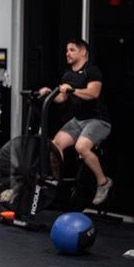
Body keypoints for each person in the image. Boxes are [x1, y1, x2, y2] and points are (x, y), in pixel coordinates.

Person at [38, 38, 113, 205]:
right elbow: (61, 98)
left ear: (83, 52)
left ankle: (103, 182)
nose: (67, 53)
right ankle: (55, 182)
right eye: (67, 50)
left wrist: (72, 89)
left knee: (81, 147)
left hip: (98, 120)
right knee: (55, 144)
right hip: (78, 120)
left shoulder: (92, 71)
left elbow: (93, 93)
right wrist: (49, 93)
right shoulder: (68, 75)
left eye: (72, 50)